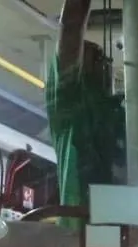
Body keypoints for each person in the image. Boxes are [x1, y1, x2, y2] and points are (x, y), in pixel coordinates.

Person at [46, 0, 126, 218]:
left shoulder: (119, 115)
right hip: (81, 233)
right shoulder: (69, 109)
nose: (106, 63)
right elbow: (71, 29)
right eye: (97, 58)